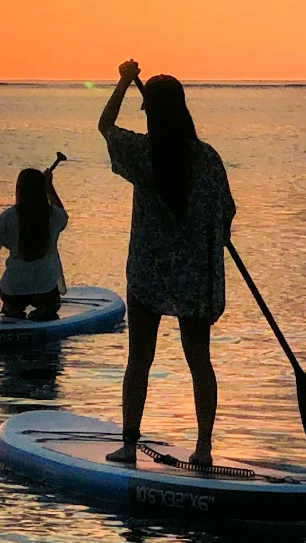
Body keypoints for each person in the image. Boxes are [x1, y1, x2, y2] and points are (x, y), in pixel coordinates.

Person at [99, 60, 235, 467]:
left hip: (147, 273)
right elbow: (225, 216)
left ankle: (128, 444)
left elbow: (105, 125)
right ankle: (204, 448)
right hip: (194, 277)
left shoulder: (143, 154)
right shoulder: (207, 159)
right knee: (199, 360)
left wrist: (124, 81)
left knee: (139, 358)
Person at [0, 167, 69, 321]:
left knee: (12, 295)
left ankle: (12, 307)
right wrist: (49, 187)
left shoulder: (7, 217)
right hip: (45, 288)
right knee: (51, 299)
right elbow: (63, 214)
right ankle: (45, 308)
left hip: (14, 289)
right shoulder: (54, 215)